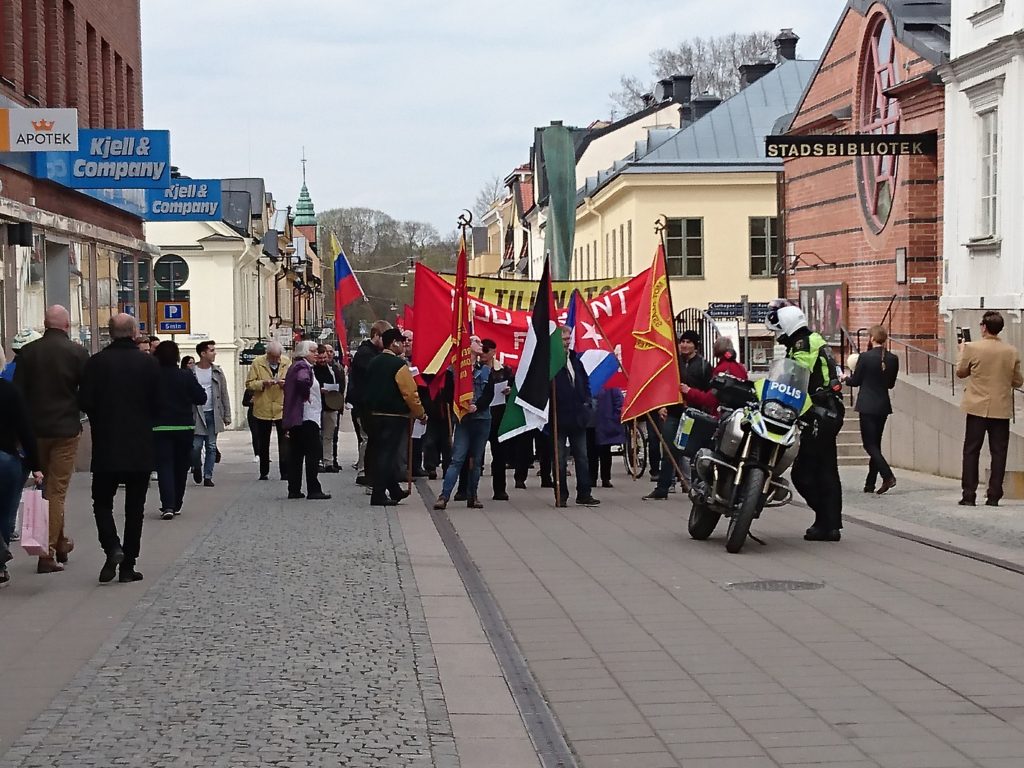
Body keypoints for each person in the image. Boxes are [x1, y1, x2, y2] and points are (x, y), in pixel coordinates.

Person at [79, 314, 160, 583]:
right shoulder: (148, 364)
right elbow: (157, 404)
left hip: (106, 445)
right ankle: (128, 565)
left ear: (110, 333)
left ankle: (112, 547)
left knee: (101, 502)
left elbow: (85, 401)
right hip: (139, 446)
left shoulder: (96, 363)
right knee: (135, 508)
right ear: (135, 332)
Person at [13, 305, 90, 574]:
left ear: (45, 324)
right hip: (65, 430)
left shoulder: (28, 353)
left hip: (35, 433)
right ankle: (46, 553)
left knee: (47, 488)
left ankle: (60, 542)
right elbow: (87, 393)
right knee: (56, 491)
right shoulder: (78, 353)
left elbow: (18, 396)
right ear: (67, 326)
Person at [766, 301, 845, 542]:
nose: (777, 337)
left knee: (804, 472)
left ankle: (825, 520)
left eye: (779, 331)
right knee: (826, 469)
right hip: (825, 411)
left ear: (788, 327)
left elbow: (795, 375)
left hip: (821, 412)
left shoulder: (804, 344)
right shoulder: (809, 340)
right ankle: (829, 523)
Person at [956, 310, 1023, 507]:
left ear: (984, 327)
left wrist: (961, 353)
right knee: (999, 452)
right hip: (1001, 407)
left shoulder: (972, 347)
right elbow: (1018, 381)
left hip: (977, 406)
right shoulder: (1011, 351)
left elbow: (961, 372)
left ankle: (969, 494)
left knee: (971, 450)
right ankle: (994, 495)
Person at [643, 330, 712, 501]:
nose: (684, 345)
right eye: (682, 341)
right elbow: (663, 385)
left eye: (689, 342)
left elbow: (708, 392)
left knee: (695, 452)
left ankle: (698, 487)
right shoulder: (672, 363)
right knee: (668, 449)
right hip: (673, 413)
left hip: (693, 415)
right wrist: (662, 406)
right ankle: (663, 487)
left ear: (695, 345)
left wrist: (691, 393)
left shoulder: (703, 366)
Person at [366, 329, 427, 507]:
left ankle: (394, 489)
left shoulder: (373, 362)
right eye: (401, 342)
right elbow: (409, 393)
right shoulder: (398, 365)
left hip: (374, 415)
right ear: (393, 343)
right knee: (387, 455)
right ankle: (378, 494)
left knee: (382, 453)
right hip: (394, 416)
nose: (404, 345)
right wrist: (420, 413)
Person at [0, 343, 44, 588]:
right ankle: (0, 565)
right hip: (6, 458)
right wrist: (36, 464)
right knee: (5, 511)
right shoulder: (10, 391)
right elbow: (25, 430)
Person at [433, 337, 492, 510]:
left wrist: (477, 405)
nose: (481, 345)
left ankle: (472, 495)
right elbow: (447, 395)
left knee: (477, 459)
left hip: (482, 419)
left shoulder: (486, 370)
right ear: (468, 346)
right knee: (457, 458)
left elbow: (488, 394)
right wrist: (459, 403)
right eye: (477, 342)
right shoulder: (455, 370)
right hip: (464, 420)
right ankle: (444, 495)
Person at [152, 341, 207, 520]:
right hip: (184, 426)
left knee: (165, 466)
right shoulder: (186, 375)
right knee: (181, 466)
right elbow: (201, 397)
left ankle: (167, 505)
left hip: (160, 427)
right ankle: (177, 504)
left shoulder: (153, 375)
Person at [551, 327, 601, 508]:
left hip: (578, 417)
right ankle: (561, 493)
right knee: (560, 459)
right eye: (564, 339)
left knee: (582, 456)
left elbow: (584, 382)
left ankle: (584, 493)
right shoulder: (550, 361)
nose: (567, 342)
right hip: (558, 416)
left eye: (568, 339)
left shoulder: (575, 359)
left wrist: (587, 403)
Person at [847, 326, 899, 495]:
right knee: (875, 445)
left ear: (871, 339)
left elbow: (855, 381)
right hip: (883, 405)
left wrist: (844, 378)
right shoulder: (893, 358)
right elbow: (890, 384)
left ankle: (888, 475)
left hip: (867, 406)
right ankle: (870, 483)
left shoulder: (865, 357)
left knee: (869, 445)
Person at [282, 341, 331, 501]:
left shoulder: (297, 366)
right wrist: (305, 394)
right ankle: (313, 488)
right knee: (313, 452)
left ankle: (294, 488)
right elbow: (303, 381)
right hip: (307, 417)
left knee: (296, 454)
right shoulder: (303, 367)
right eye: (313, 350)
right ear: (304, 352)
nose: (316, 353)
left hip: (298, 418)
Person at [348, 320, 391, 485]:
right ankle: (364, 471)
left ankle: (369, 471)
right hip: (363, 404)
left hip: (369, 404)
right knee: (367, 439)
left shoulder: (372, 353)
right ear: (376, 336)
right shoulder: (365, 354)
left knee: (370, 438)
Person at [245, 340, 291, 481]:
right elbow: (249, 384)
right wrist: (263, 383)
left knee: (284, 442)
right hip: (263, 407)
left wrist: (285, 384)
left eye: (278, 357)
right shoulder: (257, 363)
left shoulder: (287, 362)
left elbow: (292, 382)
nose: (276, 360)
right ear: (267, 354)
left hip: (281, 407)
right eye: (273, 357)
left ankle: (285, 472)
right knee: (263, 441)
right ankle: (264, 471)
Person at [191, 340, 231, 487]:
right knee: (195, 446)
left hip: (213, 412)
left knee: (211, 446)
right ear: (203, 353)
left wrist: (227, 415)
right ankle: (196, 466)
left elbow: (224, 393)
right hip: (197, 413)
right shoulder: (192, 372)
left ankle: (208, 476)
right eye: (212, 350)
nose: (215, 353)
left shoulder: (217, 371)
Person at [485, 341, 515, 500]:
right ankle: (466, 489)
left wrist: (510, 390)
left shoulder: (504, 370)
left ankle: (500, 489)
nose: (483, 353)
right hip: (480, 417)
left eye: (486, 350)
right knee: (473, 456)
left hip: (499, 416)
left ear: (493, 351)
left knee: (499, 456)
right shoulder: (474, 370)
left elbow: (514, 386)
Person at [314, 344, 344, 473]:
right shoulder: (312, 370)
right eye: (320, 358)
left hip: (331, 405)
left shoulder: (333, 370)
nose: (322, 360)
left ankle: (328, 461)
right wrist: (318, 390)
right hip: (316, 406)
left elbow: (341, 384)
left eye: (324, 357)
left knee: (329, 436)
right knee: (317, 436)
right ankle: (317, 461)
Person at [589, 388, 624, 489]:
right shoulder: (587, 381)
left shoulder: (609, 385)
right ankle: (592, 478)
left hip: (605, 423)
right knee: (591, 452)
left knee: (605, 452)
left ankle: (605, 478)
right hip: (590, 422)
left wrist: (614, 417)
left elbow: (619, 401)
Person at [324, 345, 347, 472]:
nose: (328, 354)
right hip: (323, 404)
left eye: (331, 351)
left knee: (334, 434)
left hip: (334, 403)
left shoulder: (338, 367)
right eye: (326, 351)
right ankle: (324, 459)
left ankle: (334, 459)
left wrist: (341, 404)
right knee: (324, 435)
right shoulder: (318, 367)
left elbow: (342, 386)